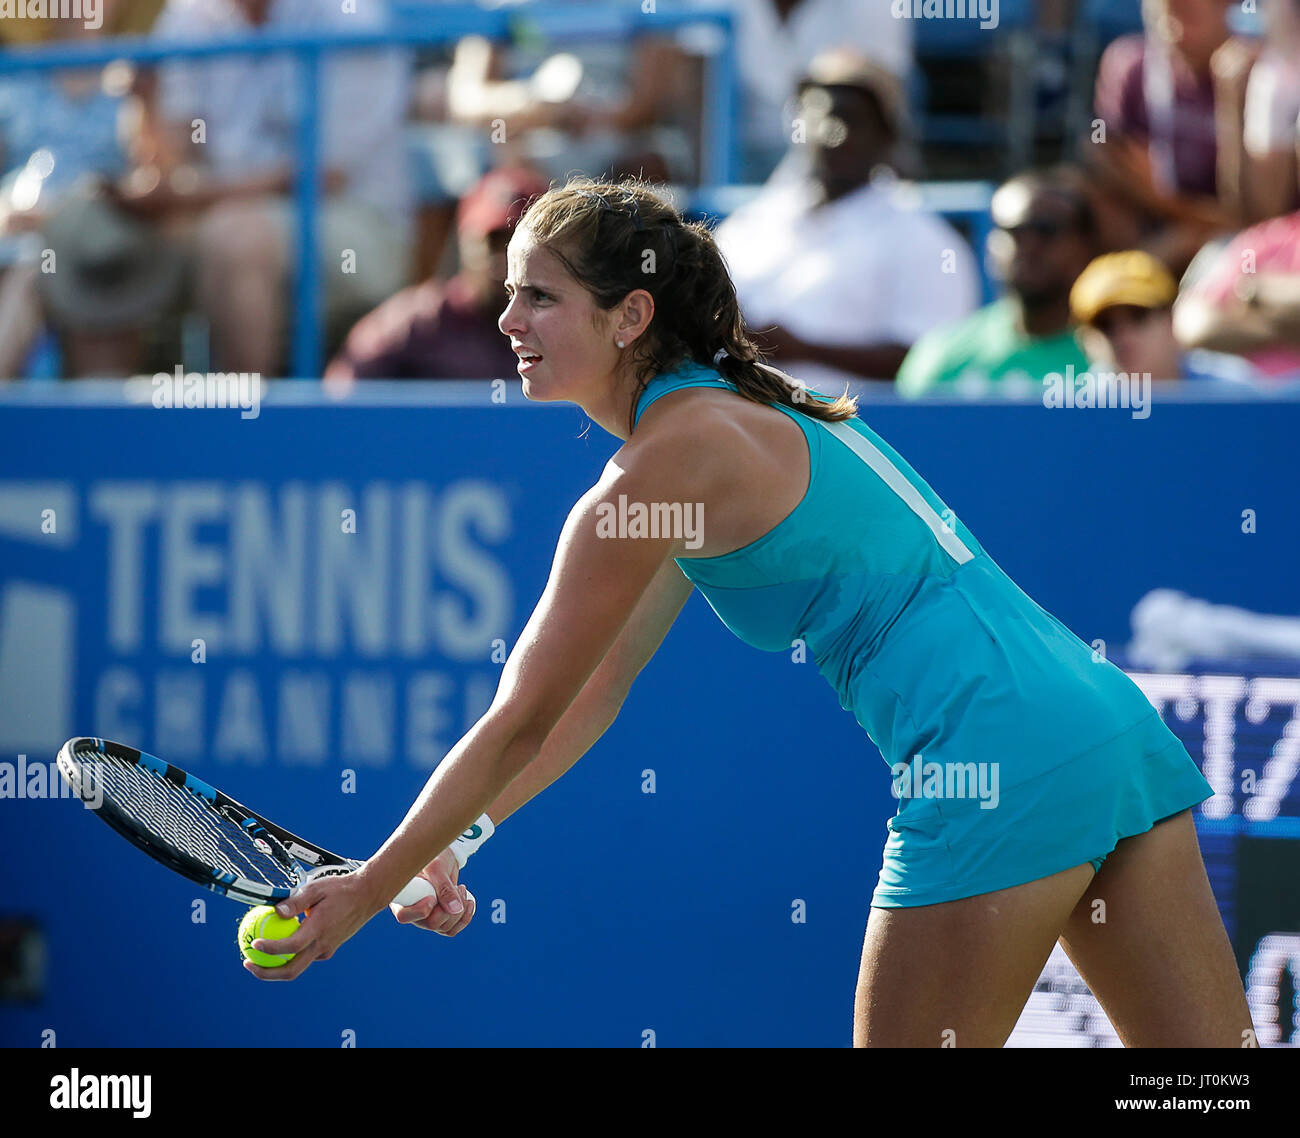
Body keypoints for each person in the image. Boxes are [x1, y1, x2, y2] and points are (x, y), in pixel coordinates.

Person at [241, 175, 1252, 1050]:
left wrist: (368, 889)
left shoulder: (659, 466)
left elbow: (522, 716)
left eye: (539, 298)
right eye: (509, 295)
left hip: (994, 754)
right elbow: (594, 689)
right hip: (1103, 726)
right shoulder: (725, 421)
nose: (506, 322)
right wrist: (452, 848)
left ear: (628, 315)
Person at [120, 0, 413, 376]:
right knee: (93, 237)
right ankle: (95, 426)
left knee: (237, 235)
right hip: (213, 213)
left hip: (360, 223)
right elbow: (173, 158)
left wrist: (188, 195)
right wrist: (144, 107)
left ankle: (247, 422)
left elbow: (323, 174)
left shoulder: (353, 15)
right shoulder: (188, 16)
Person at [712, 49, 977, 387]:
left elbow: (933, 364)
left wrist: (802, 349)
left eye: (850, 118)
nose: (831, 132)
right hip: (738, 421)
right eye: (816, 116)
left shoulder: (925, 240)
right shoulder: (752, 223)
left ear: (886, 135)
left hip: (858, 432)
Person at [325, 165, 550, 386]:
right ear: (463, 242)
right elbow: (342, 405)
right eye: (491, 243)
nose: (503, 260)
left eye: (517, 247)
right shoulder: (414, 325)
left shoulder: (566, 327)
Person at [895, 167, 1098, 398]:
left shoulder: (1121, 356)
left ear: (1085, 245)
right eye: (1012, 231)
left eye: (1045, 230)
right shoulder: (940, 357)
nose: (1027, 246)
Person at [1087, 0, 1237, 276]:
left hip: (1227, 232)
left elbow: (1256, 215)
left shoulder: (1255, 72)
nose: (1174, 29)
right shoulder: (1128, 62)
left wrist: (1168, 203)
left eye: (1189, 14)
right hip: (1152, 224)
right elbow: (1103, 153)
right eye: (1165, 15)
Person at [1070, 249, 1258, 382]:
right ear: (1084, 339)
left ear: (1170, 321)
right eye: (1105, 324)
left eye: (1138, 315)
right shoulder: (1075, 410)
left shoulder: (1233, 391)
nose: (1122, 333)